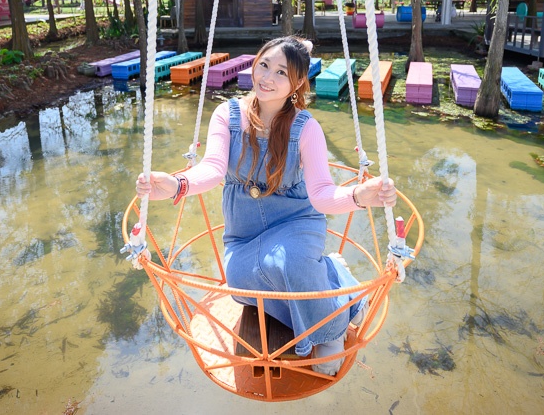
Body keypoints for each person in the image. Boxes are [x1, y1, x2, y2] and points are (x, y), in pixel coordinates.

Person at [136, 36, 396, 376]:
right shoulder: (226, 114)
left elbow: (321, 194)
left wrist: (360, 196)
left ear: (298, 83)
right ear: (254, 63)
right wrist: (177, 184)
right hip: (244, 231)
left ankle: (330, 332)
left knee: (290, 263)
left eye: (281, 73)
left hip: (296, 221)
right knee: (241, 285)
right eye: (264, 65)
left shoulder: (306, 128)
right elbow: (213, 169)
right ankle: (342, 294)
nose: (267, 78)